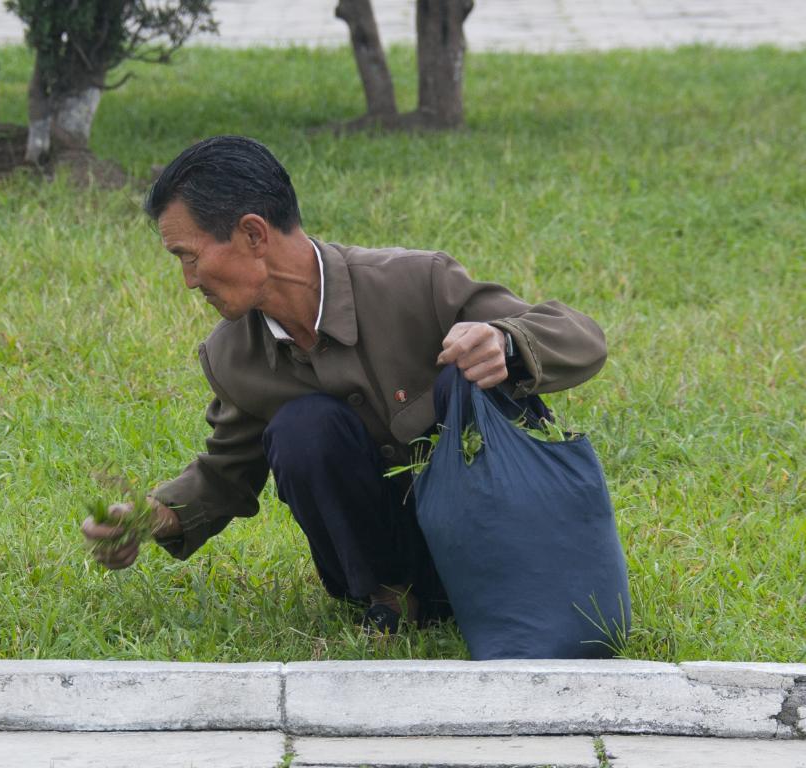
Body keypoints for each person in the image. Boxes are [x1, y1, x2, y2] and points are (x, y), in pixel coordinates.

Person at [82, 135, 607, 632]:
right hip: (393, 568)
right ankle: (391, 597)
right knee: (302, 428)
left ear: (253, 234)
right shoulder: (232, 355)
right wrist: (151, 517)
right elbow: (225, 474)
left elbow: (580, 337)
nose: (189, 281)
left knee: (461, 377)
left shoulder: (415, 281)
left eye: (189, 257)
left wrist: (505, 342)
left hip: (498, 546)